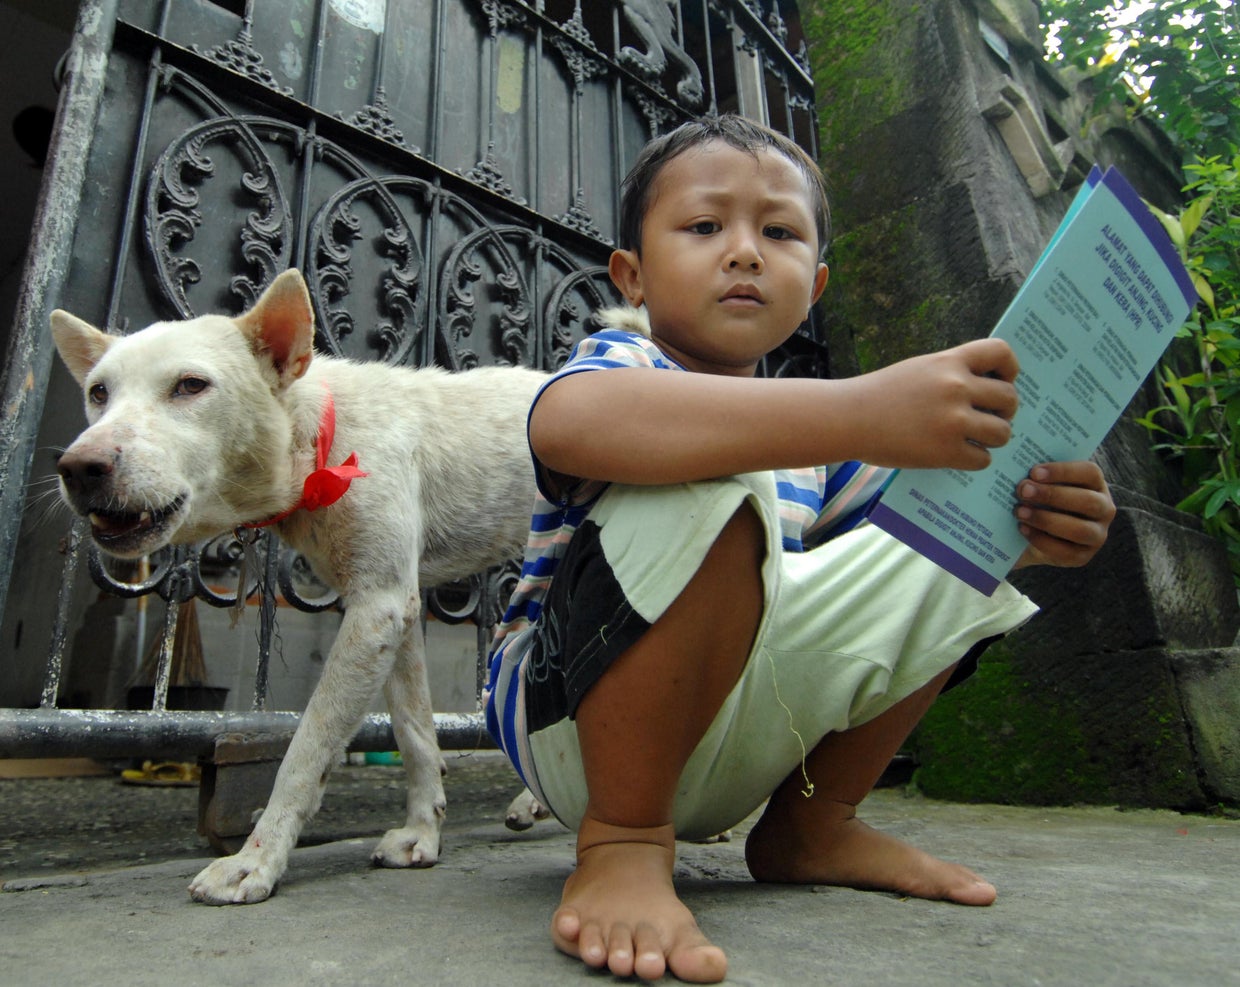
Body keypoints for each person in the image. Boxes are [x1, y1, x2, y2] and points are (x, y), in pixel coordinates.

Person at [484, 114, 1116, 983]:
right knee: (710, 462)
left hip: (739, 727)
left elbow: (898, 572)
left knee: (952, 531)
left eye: (777, 233)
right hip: (576, 731)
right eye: (705, 227)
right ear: (632, 275)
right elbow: (569, 424)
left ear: (813, 285)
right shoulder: (624, 360)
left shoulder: (826, 447)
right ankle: (625, 841)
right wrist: (861, 406)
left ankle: (816, 825)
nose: (744, 252)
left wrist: (1029, 528)